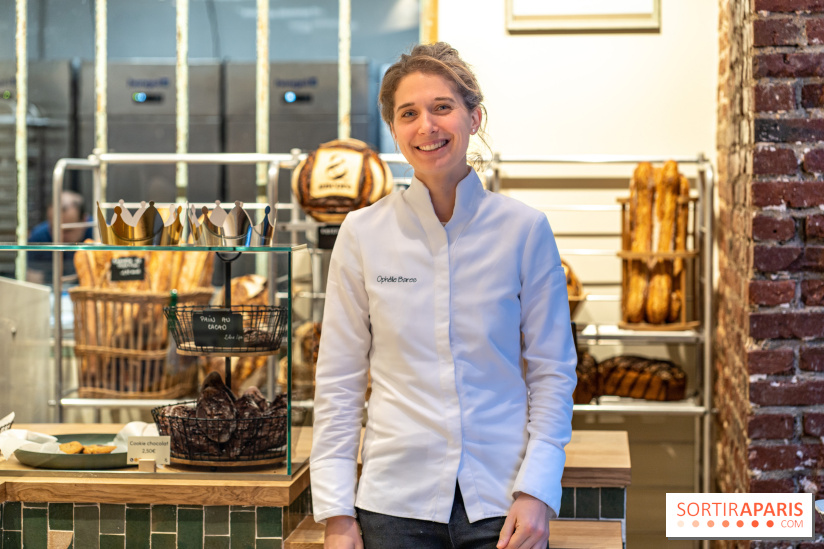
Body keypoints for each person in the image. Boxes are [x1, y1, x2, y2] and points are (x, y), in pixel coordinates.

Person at [310, 42, 577, 549]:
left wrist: (538, 490)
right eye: (408, 113)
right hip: (392, 503)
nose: (426, 127)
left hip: (503, 502)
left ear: (474, 118)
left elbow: (552, 372)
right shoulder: (362, 233)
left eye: (442, 108)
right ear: (393, 129)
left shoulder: (523, 230)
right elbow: (339, 380)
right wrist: (337, 516)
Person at [27, 190, 94, 285]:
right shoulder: (38, 237)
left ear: (84, 220)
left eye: (67, 230)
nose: (61, 237)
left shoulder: (100, 234)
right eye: (54, 229)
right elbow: (33, 282)